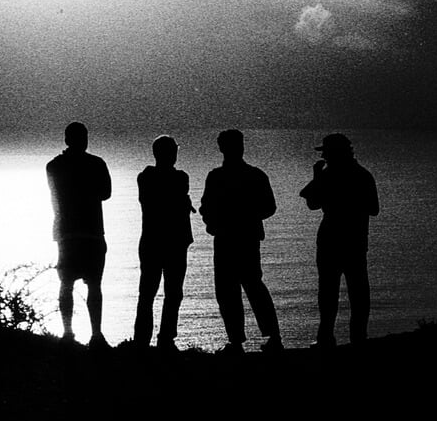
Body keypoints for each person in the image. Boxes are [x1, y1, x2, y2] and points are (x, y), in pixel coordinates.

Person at [199, 129, 283, 354]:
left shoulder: (218, 176)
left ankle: (242, 342)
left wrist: (217, 221)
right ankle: (265, 338)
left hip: (231, 239)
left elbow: (206, 207)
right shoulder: (253, 175)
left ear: (222, 147)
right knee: (246, 288)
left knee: (237, 290)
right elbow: (269, 207)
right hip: (242, 239)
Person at [301, 133, 380, 348]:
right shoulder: (362, 175)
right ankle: (356, 338)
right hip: (353, 240)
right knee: (356, 291)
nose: (324, 156)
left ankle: (328, 338)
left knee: (330, 292)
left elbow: (312, 203)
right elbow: (374, 209)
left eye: (326, 152)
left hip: (333, 240)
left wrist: (319, 178)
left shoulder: (329, 176)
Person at [46, 121, 112, 348]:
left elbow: (56, 195)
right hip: (92, 231)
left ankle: (68, 333)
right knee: (94, 284)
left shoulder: (54, 166)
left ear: (66, 140)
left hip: (66, 232)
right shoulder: (96, 164)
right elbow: (106, 193)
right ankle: (96, 334)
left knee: (66, 284)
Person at [133, 135, 196, 350]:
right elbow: (178, 198)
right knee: (171, 292)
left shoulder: (145, 177)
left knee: (150, 293)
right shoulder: (179, 178)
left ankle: (143, 340)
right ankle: (164, 339)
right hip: (173, 242)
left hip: (153, 241)